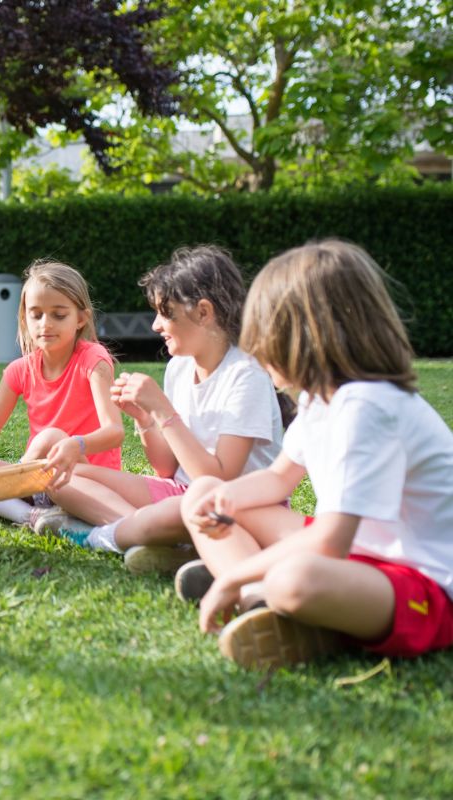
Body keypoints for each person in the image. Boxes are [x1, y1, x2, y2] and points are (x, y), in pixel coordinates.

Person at [180, 240, 453, 671]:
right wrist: (224, 502)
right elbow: (278, 480)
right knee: (204, 491)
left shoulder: (367, 406)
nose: (253, 350)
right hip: (360, 557)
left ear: (301, 337)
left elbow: (329, 540)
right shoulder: (318, 400)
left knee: (296, 580)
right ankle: (259, 602)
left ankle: (260, 590)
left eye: (262, 336)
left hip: (426, 584)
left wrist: (233, 574)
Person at [37, 246, 283, 575]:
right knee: (59, 476)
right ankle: (156, 539)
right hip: (179, 493)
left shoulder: (246, 375)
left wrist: (163, 411)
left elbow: (217, 479)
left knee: (180, 507)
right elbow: (167, 468)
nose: (156, 325)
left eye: (165, 313)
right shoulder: (179, 368)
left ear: (204, 312)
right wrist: (144, 419)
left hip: (234, 503)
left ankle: (114, 535)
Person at [0, 259, 123, 524]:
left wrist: (74, 444)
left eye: (58, 315)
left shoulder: (93, 359)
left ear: (81, 318)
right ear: (24, 318)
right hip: (33, 476)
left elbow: (114, 433)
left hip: (85, 479)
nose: (45, 324)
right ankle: (27, 513)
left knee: (50, 438)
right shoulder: (19, 370)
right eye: (36, 314)